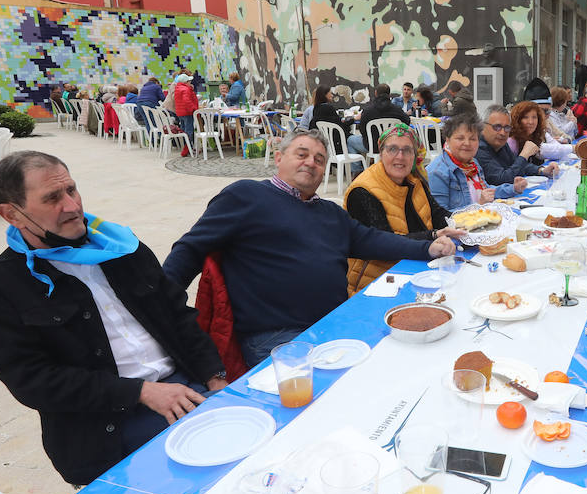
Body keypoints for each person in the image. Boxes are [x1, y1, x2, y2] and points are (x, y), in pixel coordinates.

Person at [0, 151, 227, 486]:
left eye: (71, 190)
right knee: (207, 484)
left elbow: (179, 316)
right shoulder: (1, 287)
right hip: (108, 426)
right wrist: (140, 392)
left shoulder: (120, 248)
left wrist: (216, 377)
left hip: (184, 387)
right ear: (12, 214)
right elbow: (32, 381)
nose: (73, 206)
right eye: (52, 198)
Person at [164, 131, 454, 366]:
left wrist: (429, 247)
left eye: (319, 159)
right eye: (301, 154)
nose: (311, 163)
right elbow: (190, 250)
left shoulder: (329, 213)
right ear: (279, 158)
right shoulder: (247, 195)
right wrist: (158, 306)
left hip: (336, 322)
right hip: (279, 337)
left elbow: (374, 239)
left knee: (413, 353)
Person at [345, 124, 466, 293]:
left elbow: (437, 213)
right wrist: (433, 236)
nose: (400, 156)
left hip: (418, 264)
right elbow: (385, 244)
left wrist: (467, 222)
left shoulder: (414, 180)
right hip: (378, 282)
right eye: (392, 149)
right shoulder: (362, 191)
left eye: (407, 150)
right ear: (381, 153)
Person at [427, 111, 527, 210]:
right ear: (448, 140)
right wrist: (478, 205)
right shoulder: (438, 172)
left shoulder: (472, 163)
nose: (467, 143)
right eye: (460, 138)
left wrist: (514, 188)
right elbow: (441, 217)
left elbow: (487, 190)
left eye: (472, 139)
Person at [476, 104, 561, 184]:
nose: (502, 132)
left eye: (507, 128)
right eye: (497, 127)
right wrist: (524, 155)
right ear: (483, 126)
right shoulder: (478, 149)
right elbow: (502, 179)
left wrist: (542, 170)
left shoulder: (501, 144)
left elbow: (518, 166)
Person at [351, 84, 412, 155]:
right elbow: (407, 122)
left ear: (376, 93)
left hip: (372, 146)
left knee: (350, 140)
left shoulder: (368, 110)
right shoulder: (397, 109)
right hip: (393, 145)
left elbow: (362, 129)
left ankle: (361, 165)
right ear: (389, 94)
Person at [171, 77, 199, 152]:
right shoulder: (186, 89)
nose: (190, 82)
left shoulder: (178, 88)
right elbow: (187, 101)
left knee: (183, 130)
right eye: (189, 81)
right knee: (189, 130)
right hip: (187, 112)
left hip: (180, 112)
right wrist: (193, 109)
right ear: (186, 82)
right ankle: (188, 148)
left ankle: (185, 146)